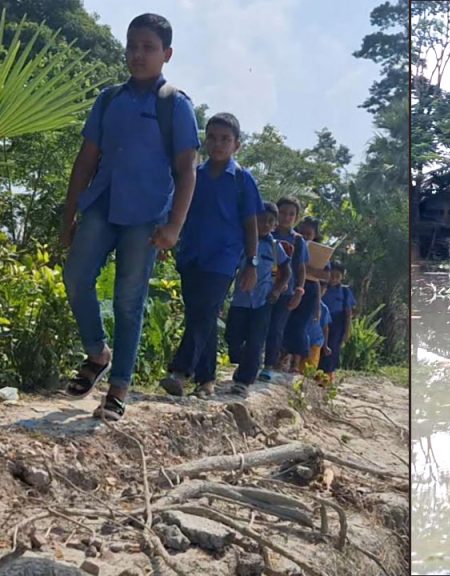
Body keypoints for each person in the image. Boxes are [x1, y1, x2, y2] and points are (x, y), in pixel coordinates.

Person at [60, 13, 200, 421]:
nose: (138, 55)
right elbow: (86, 159)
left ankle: (119, 387)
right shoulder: (109, 99)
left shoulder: (174, 104)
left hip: (146, 215)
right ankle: (97, 353)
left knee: (128, 299)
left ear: (166, 54)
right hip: (102, 204)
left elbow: (187, 170)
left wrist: (174, 226)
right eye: (132, 46)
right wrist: (69, 215)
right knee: (75, 277)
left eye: (148, 48)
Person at [159, 112, 262, 398]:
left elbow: (251, 225)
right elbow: (178, 211)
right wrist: (166, 241)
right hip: (192, 255)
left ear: (237, 145)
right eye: (213, 138)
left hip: (223, 259)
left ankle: (180, 371)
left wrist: (252, 263)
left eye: (225, 139)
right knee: (200, 315)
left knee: (204, 310)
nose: (218, 144)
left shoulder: (242, 180)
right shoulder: (194, 176)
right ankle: (206, 380)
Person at [225, 202, 291, 396]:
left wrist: (277, 290)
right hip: (240, 300)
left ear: (275, 224)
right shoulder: (243, 241)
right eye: (261, 220)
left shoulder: (276, 247)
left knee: (255, 342)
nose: (265, 224)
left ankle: (244, 381)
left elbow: (286, 271)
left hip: (263, 302)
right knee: (233, 339)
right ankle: (243, 363)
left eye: (270, 221)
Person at [259, 197, 308, 381]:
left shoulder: (298, 241)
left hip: (286, 292)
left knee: (276, 328)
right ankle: (253, 360)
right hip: (262, 288)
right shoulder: (265, 233)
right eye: (283, 213)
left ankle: (269, 365)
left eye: (291, 214)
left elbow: (301, 268)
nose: (286, 217)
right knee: (259, 325)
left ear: (296, 218)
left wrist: (299, 291)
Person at [279, 216, 323, 374]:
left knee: (300, 327)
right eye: (302, 232)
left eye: (308, 234)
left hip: (309, 290)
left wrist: (317, 306)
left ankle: (295, 363)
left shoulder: (319, 253)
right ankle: (281, 358)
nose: (304, 236)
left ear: (315, 235)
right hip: (290, 285)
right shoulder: (292, 242)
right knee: (284, 323)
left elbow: (324, 276)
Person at [318, 262, 356, 376]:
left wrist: (347, 331)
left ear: (342, 277)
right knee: (317, 345)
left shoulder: (345, 291)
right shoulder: (321, 287)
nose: (334, 279)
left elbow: (348, 313)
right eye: (332, 275)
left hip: (337, 322)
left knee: (332, 348)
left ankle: (328, 374)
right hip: (320, 319)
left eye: (337, 276)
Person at [303, 300, 332, 375]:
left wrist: (325, 346)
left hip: (316, 342)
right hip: (303, 341)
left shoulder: (324, 308)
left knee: (310, 369)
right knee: (301, 368)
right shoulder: (305, 302)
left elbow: (325, 328)